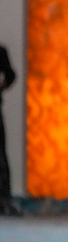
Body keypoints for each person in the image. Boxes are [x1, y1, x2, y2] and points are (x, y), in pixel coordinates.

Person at [0, 44, 16, 216]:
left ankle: (4, 199)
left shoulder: (1, 51)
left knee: (1, 157)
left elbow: (11, 75)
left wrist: (2, 85)